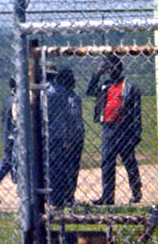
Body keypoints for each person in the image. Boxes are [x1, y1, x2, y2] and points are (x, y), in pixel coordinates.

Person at [87, 55, 142, 205]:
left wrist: (137, 133)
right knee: (107, 163)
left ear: (120, 68)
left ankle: (136, 192)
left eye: (113, 67)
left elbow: (137, 112)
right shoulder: (105, 85)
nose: (111, 71)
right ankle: (107, 196)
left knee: (129, 161)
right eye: (108, 68)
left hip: (125, 129)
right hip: (109, 129)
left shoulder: (129, 87)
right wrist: (98, 73)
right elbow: (90, 91)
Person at [44, 65, 70, 208]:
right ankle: (59, 198)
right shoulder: (62, 91)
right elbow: (66, 114)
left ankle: (50, 199)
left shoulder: (43, 92)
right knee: (58, 166)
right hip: (60, 133)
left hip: (46, 133)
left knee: (48, 167)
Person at [61, 67, 85, 206]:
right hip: (68, 137)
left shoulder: (75, 97)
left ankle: (70, 195)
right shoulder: (64, 97)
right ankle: (65, 195)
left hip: (75, 136)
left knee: (73, 167)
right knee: (66, 167)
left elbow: (76, 118)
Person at [0, 77, 18, 188]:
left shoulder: (9, 100)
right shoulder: (14, 101)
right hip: (12, 137)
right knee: (8, 161)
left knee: (9, 161)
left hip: (8, 135)